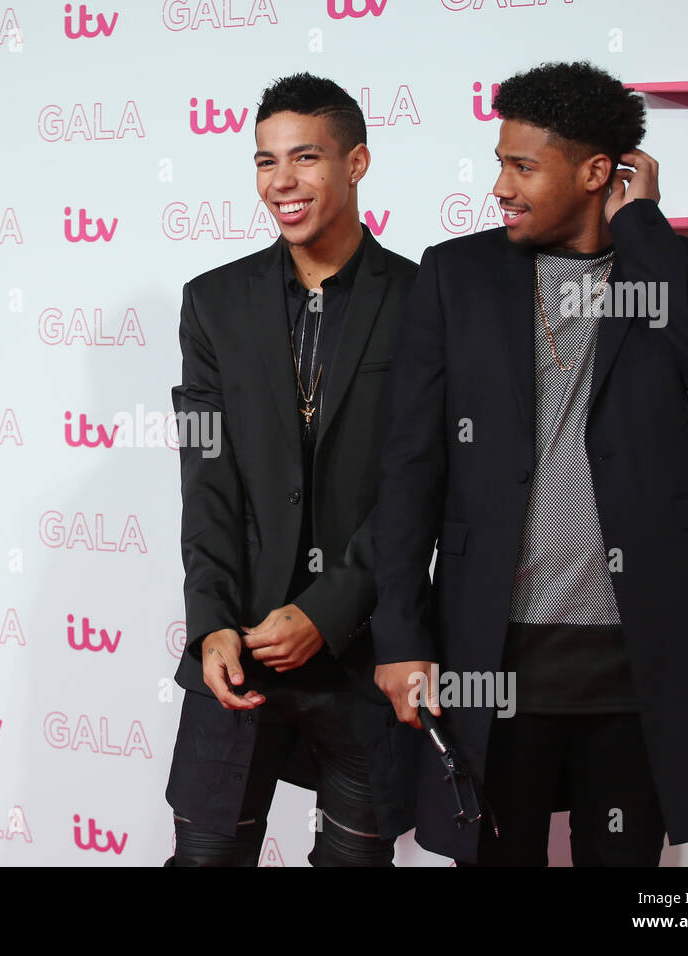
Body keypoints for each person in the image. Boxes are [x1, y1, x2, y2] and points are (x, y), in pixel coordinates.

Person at [372, 61, 688, 866]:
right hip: (495, 660)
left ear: (595, 173)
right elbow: (409, 469)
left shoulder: (682, 270)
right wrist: (400, 637)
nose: (500, 187)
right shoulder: (457, 276)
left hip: (638, 665)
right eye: (500, 163)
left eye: (523, 167)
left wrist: (644, 228)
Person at [164, 73, 419, 866]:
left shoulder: (422, 300)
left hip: (364, 649)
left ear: (356, 162)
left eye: (305, 157)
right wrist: (209, 622)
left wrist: (327, 609)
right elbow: (206, 477)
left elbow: (421, 485)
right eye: (265, 160)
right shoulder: (213, 302)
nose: (282, 181)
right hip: (240, 642)